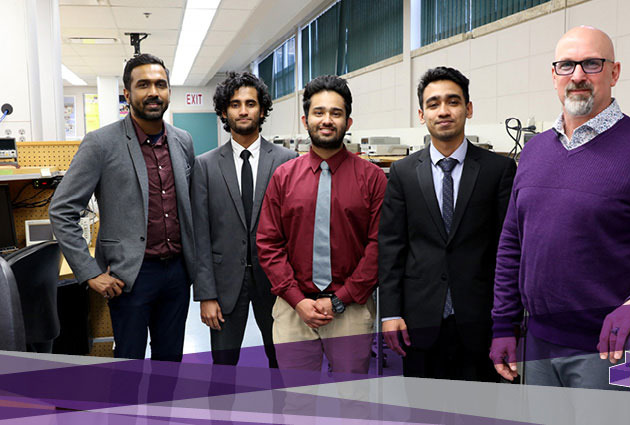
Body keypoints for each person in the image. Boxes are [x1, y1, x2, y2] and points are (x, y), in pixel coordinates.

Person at [490, 26, 630, 388]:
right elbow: (513, 245)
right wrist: (503, 325)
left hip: (609, 351)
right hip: (537, 345)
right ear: (554, 75)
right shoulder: (534, 152)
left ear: (614, 72)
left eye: (591, 63)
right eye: (566, 65)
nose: (577, 76)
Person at [50, 53, 196, 361]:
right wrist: (89, 272)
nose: (153, 92)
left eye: (160, 84)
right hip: (130, 276)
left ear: (169, 91)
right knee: (129, 362)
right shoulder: (101, 143)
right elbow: (62, 209)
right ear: (127, 94)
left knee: (170, 361)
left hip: (178, 275)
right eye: (143, 85)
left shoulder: (183, 141)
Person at [379, 66, 516, 381]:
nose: (443, 111)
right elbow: (391, 248)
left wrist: (508, 319)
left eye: (453, 101)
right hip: (420, 321)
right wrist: (390, 312)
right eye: (433, 103)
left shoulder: (498, 170)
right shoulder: (403, 173)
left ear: (468, 109)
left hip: (482, 321)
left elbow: (507, 249)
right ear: (421, 113)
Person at [256, 75, 386, 374]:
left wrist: (340, 299)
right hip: (293, 310)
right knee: (299, 403)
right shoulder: (283, 177)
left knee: (353, 404)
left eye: (336, 113)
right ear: (306, 120)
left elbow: (378, 247)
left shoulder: (373, 178)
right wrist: (297, 300)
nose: (327, 120)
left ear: (348, 122)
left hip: (351, 310)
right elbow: (268, 243)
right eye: (319, 112)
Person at [191, 71, 296, 367]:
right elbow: (200, 233)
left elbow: (295, 231)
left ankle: (286, 415)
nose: (243, 110)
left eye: (250, 103)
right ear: (224, 111)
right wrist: (206, 295)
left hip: (276, 284)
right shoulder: (205, 165)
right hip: (224, 287)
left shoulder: (288, 162)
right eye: (235, 104)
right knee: (223, 370)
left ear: (262, 109)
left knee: (282, 365)